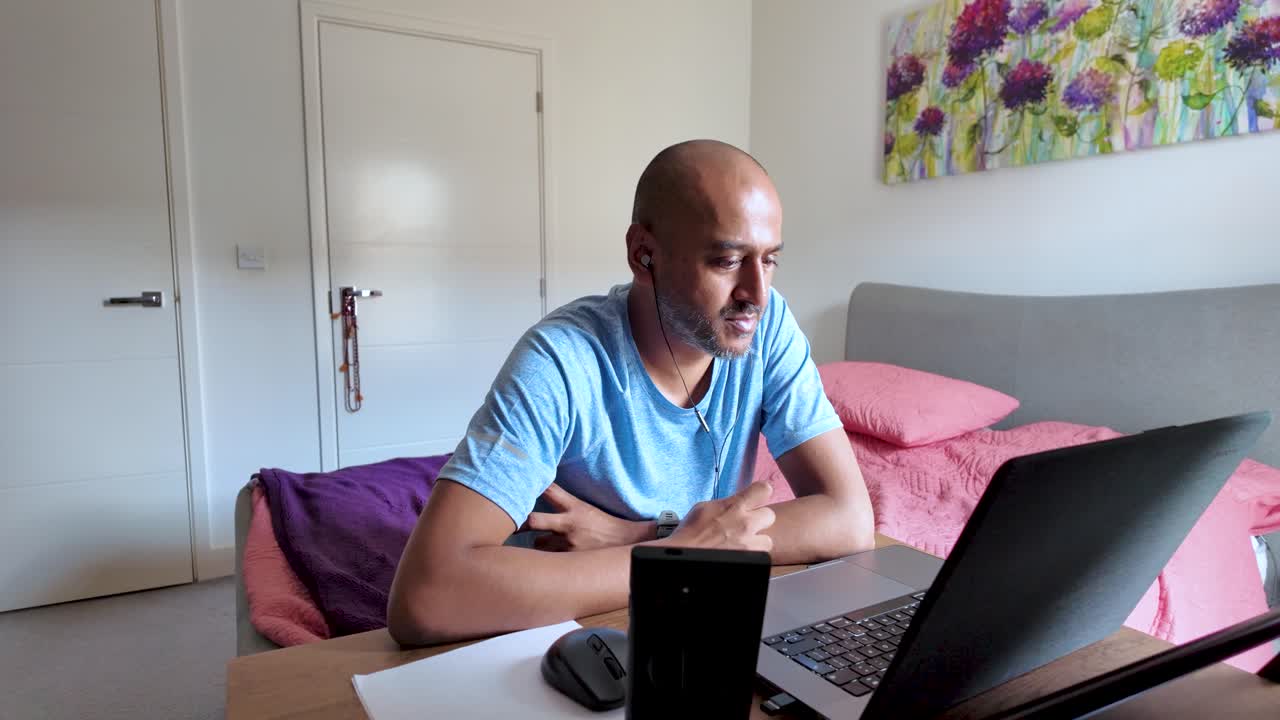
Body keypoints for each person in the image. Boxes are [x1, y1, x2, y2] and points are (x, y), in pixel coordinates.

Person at [387, 139, 875, 646]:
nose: (757, 293)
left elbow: (850, 518)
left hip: (683, 609)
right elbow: (427, 596)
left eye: (769, 260)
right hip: (563, 626)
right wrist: (688, 555)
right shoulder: (561, 359)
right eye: (728, 261)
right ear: (644, 255)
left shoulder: (768, 328)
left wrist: (653, 539)